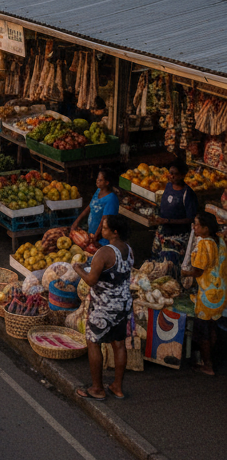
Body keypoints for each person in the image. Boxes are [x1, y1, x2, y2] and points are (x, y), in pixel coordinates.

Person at [74, 213, 134, 401]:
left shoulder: (105, 252)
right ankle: (117, 386)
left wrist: (78, 269)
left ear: (114, 232)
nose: (102, 230)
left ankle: (97, 388)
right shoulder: (129, 250)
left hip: (104, 306)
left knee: (93, 342)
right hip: (123, 304)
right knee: (119, 344)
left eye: (105, 227)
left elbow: (92, 280)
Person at [183, 212, 226, 375]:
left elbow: (198, 271)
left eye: (197, 225)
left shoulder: (204, 244)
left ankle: (207, 365)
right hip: (220, 293)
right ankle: (211, 360)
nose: (194, 227)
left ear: (206, 228)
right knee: (212, 326)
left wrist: (184, 273)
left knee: (203, 331)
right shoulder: (220, 240)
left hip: (207, 295)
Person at [152, 161, 199, 274]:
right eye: (170, 173)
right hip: (163, 232)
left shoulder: (188, 194)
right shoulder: (168, 186)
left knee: (171, 265)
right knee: (157, 262)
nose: (171, 176)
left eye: (175, 174)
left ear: (183, 175)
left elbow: (190, 219)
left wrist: (168, 221)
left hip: (178, 236)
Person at [71, 167, 119, 247]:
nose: (97, 181)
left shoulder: (111, 199)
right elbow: (90, 206)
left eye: (100, 180)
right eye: (97, 178)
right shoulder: (98, 191)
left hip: (102, 238)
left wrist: (95, 237)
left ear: (107, 182)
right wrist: (77, 221)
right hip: (92, 232)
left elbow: (104, 220)